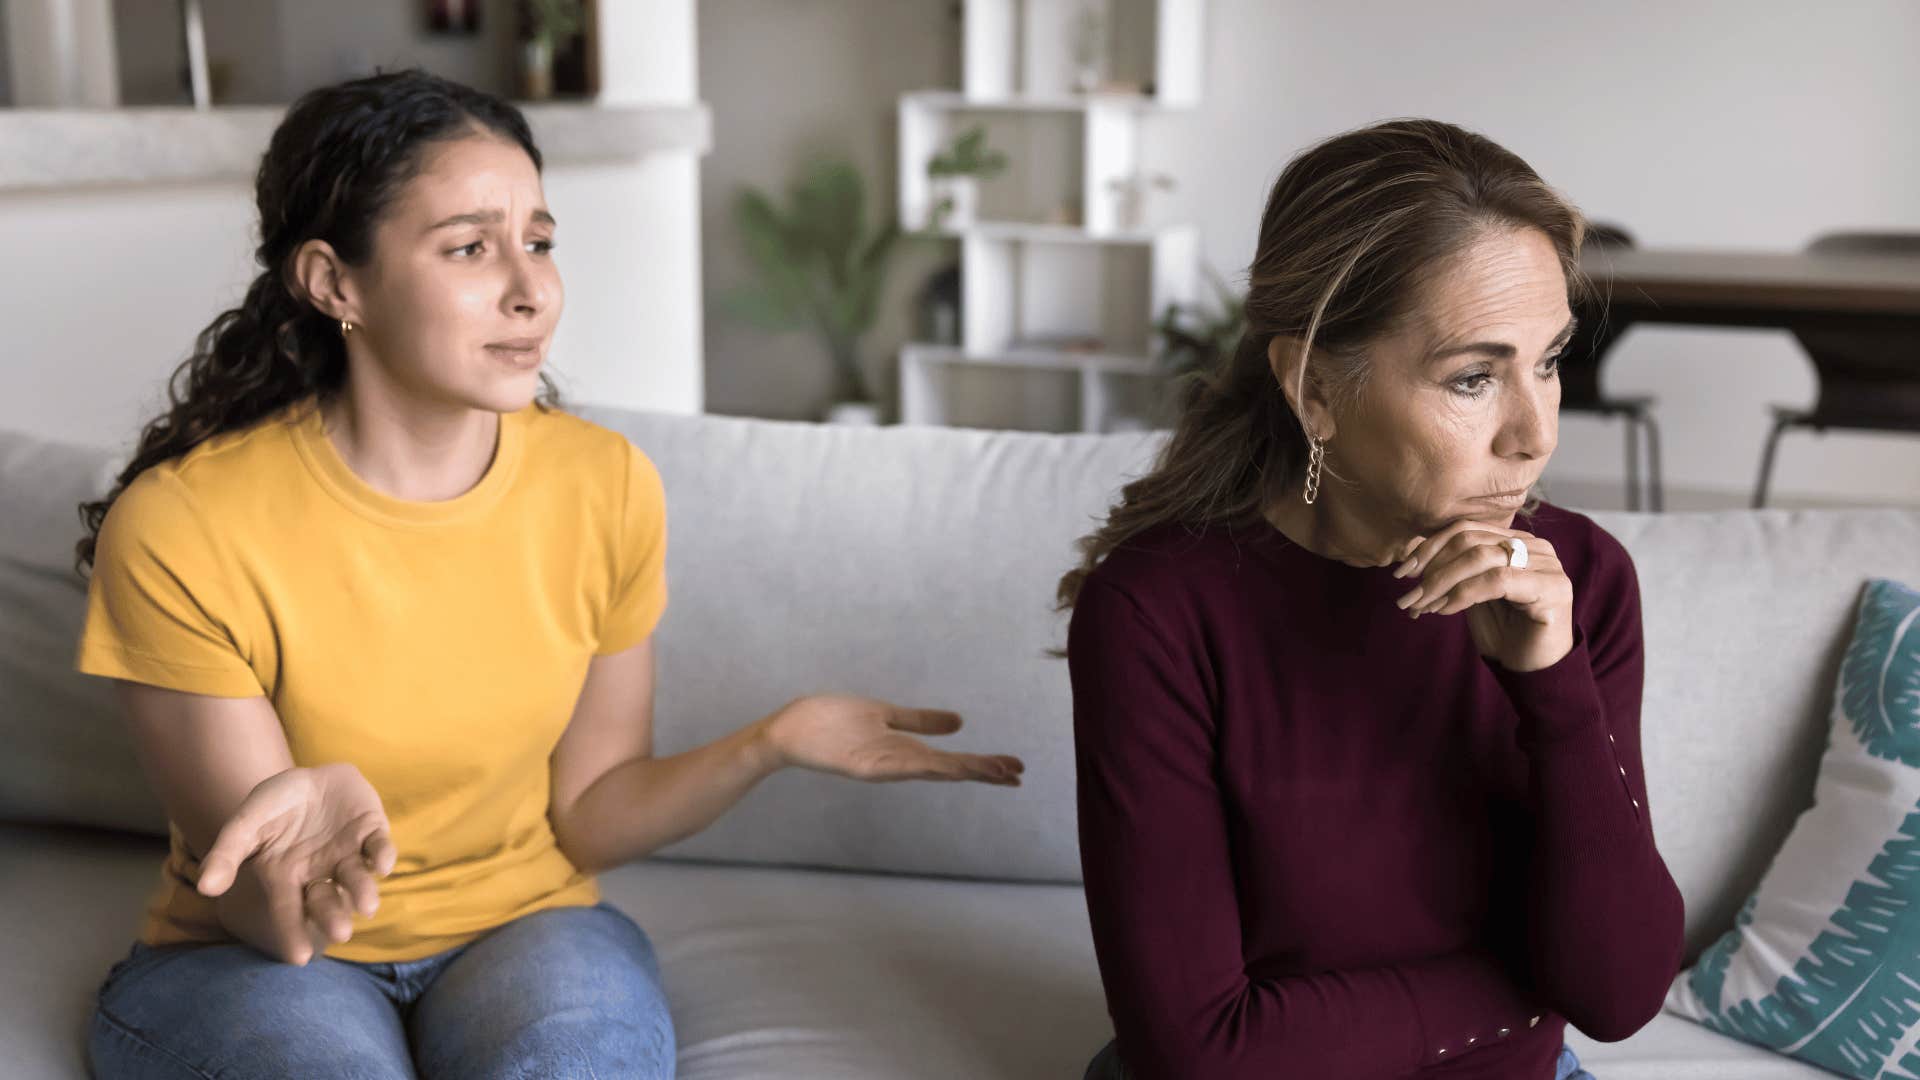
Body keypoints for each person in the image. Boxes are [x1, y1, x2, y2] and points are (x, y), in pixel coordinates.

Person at [73, 69, 1024, 1080]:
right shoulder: (185, 525)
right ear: (335, 283)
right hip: (252, 957)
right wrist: (303, 862)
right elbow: (269, 923)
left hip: (522, 929)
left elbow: (592, 812)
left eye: (539, 240)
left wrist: (767, 744)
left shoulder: (603, 486)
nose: (531, 289)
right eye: (471, 248)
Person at [1061, 118, 1684, 1079]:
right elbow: (1198, 1055)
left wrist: (1553, 690)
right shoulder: (1159, 614)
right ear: (1314, 390)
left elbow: (1617, 991)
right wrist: (1526, 993)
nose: (1534, 435)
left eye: (1550, 362)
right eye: (1475, 377)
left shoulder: (1580, 582)